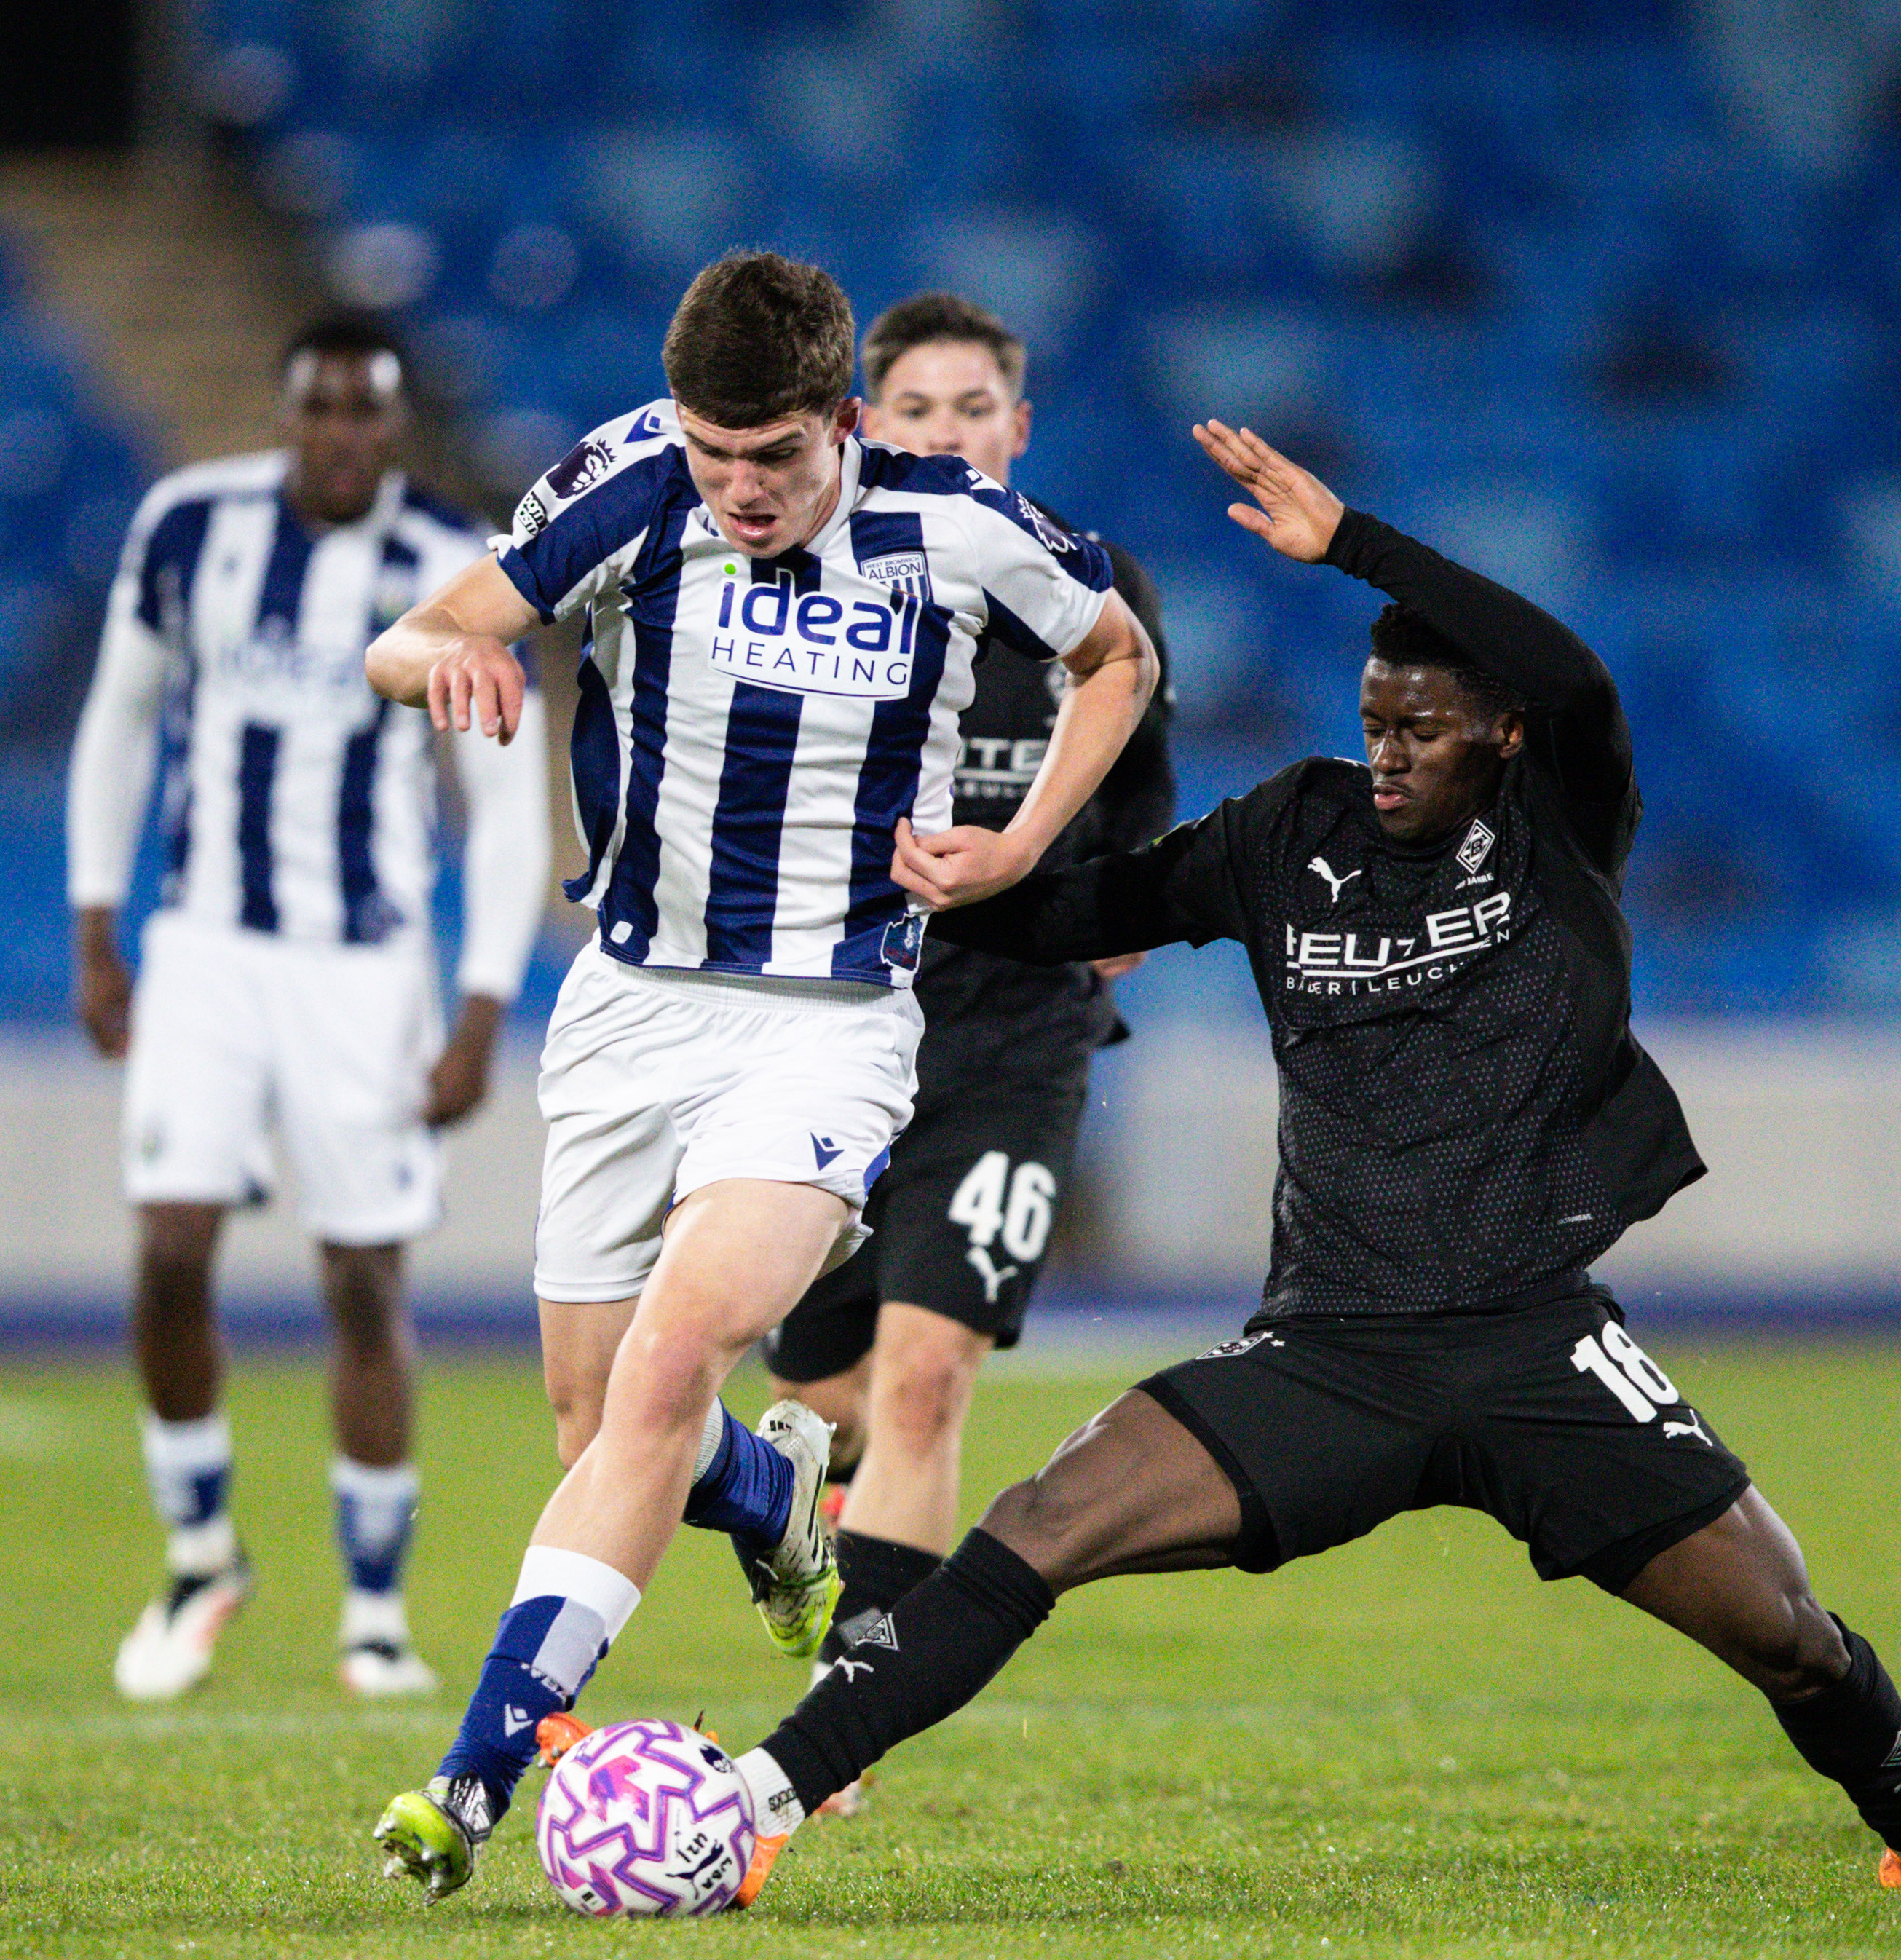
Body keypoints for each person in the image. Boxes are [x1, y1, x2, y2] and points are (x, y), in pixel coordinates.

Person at [708, 425, 1901, 1895]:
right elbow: (1079, 912)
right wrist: (924, 883)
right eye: (1373, 717)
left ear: (1498, 731)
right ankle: (755, 1795)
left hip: (1534, 1339)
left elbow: (1576, 676)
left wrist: (1356, 546)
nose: (1384, 750)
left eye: (1420, 727)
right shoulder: (1287, 830)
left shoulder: (1560, 831)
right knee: (1038, 1523)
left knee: (1787, 1630)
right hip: (1327, 1350)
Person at [360, 251, 1159, 1900]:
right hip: (627, 1007)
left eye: (775, 462)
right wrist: (447, 661)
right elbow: (411, 632)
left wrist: (1017, 841)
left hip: (828, 1024)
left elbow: (1121, 657)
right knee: (597, 1417)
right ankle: (780, 1493)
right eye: (716, 458)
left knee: (668, 1361)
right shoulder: (628, 478)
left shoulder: (949, 522)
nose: (739, 493)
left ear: (844, 424)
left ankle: (471, 1776)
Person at [66, 313, 550, 1704]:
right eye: (320, 409)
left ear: (394, 431)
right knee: (168, 1249)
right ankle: (202, 1553)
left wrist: (478, 1012)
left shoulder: (443, 567)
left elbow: (505, 801)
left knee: (362, 1276)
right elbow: (119, 717)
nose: (343, 435)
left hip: (364, 968)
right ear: (286, 414)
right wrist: (98, 928)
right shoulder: (185, 526)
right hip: (207, 943)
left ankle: (376, 1612)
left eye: (368, 415)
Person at [761, 296, 1174, 1780]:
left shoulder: (1093, 593)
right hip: (837, 1036)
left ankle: (842, 1718)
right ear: (868, 426)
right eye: (916, 410)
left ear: (1018, 426)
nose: (946, 432)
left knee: (928, 1374)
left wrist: (1116, 898)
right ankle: (788, 1498)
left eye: (972, 408)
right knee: (820, 1400)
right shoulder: (825, 581)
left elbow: (1140, 797)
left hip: (1016, 1045)